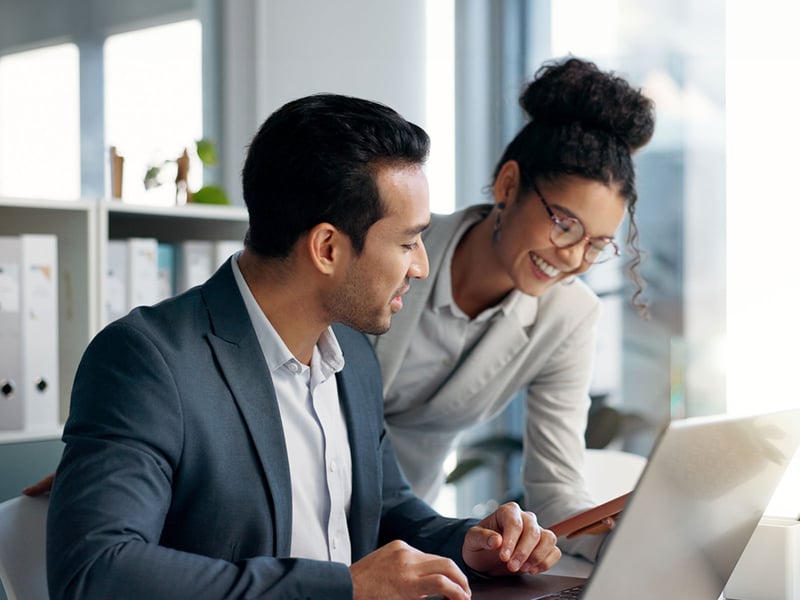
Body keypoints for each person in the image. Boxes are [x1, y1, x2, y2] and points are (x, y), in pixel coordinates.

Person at [45, 93, 561, 600]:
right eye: (407, 243)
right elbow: (96, 572)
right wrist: (342, 587)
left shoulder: (352, 352)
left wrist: (469, 544)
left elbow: (384, 508)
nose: (421, 267)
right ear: (327, 248)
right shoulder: (146, 361)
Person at [371, 57, 656, 561]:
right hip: (305, 508)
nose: (573, 258)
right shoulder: (392, 247)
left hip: (414, 533)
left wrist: (625, 548)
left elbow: (556, 484)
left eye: (596, 245)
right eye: (564, 224)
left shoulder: (568, 316)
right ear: (508, 185)